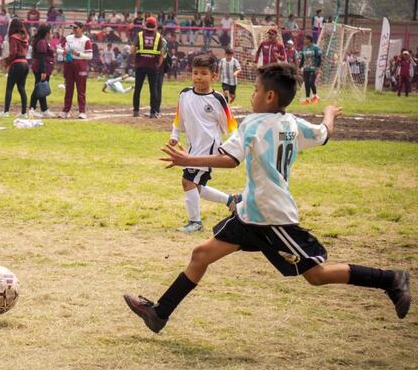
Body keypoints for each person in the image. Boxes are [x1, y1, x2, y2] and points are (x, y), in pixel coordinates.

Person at [125, 63, 411, 333]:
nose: (253, 95)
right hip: (250, 211)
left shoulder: (254, 123)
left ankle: (389, 279)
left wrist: (189, 159)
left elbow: (229, 159)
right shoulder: (293, 122)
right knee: (201, 254)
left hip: (270, 215)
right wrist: (329, 114)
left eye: (257, 90)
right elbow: (324, 134)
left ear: (270, 96)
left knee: (316, 275)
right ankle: (160, 313)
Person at [169, 55, 238, 233]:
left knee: (187, 181)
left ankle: (195, 222)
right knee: (196, 185)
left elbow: (229, 125)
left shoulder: (217, 99)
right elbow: (179, 118)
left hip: (209, 148)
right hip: (192, 146)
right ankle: (232, 201)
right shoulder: (184, 94)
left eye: (204, 73)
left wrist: (232, 146)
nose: (199, 77)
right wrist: (175, 135)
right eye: (196, 73)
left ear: (213, 76)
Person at [57, 21, 93, 119]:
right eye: (73, 28)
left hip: (80, 64)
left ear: (81, 29)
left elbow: (90, 56)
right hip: (69, 63)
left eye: (76, 28)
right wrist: (64, 52)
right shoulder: (68, 38)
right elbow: (58, 49)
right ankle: (65, 110)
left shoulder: (86, 40)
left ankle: (82, 111)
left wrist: (79, 54)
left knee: (81, 89)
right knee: (68, 88)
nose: (74, 30)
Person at [131, 16, 165, 118]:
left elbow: (132, 50)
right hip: (153, 66)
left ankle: (136, 111)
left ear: (145, 24)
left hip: (140, 65)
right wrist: (157, 64)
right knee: (153, 89)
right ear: (155, 26)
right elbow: (162, 54)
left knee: (137, 88)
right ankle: (153, 112)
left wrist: (139, 55)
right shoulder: (159, 37)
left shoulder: (140, 35)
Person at [0, 18, 30, 117]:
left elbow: (13, 53)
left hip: (16, 64)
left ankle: (6, 112)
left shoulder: (13, 37)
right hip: (25, 63)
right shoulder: (26, 37)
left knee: (9, 88)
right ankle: (24, 112)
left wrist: (6, 60)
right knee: (21, 88)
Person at [29, 24, 54, 117]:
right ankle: (32, 108)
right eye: (49, 32)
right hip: (41, 68)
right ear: (46, 33)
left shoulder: (41, 41)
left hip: (41, 68)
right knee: (39, 88)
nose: (50, 34)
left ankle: (44, 109)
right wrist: (43, 71)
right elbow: (42, 57)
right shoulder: (42, 42)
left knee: (41, 88)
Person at [300, 34, 322, 104]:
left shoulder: (316, 48)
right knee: (306, 83)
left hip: (313, 68)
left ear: (309, 40)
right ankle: (307, 99)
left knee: (311, 82)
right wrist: (300, 67)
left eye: (305, 39)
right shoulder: (304, 48)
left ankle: (315, 96)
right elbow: (303, 59)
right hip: (306, 68)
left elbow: (319, 58)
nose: (304, 40)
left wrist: (317, 68)